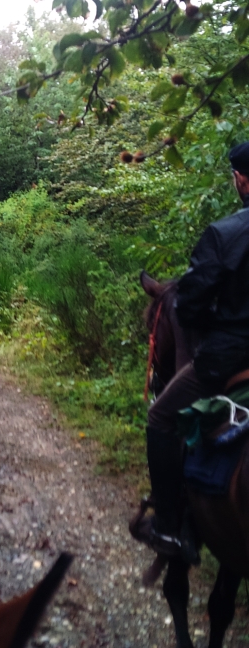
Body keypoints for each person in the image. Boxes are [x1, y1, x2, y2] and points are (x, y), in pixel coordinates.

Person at [134, 141, 249, 561]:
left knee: (160, 416)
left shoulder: (226, 234)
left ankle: (167, 525)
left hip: (229, 357)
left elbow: (190, 304)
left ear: (240, 178)